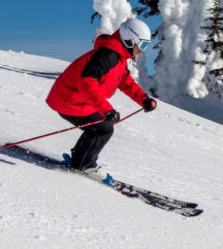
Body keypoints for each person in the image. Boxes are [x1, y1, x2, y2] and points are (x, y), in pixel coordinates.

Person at [45, 19, 158, 182]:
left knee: (99, 127)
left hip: (75, 99)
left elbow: (124, 80)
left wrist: (144, 100)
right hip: (69, 99)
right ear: (129, 39)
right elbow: (86, 82)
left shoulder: (118, 56)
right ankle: (84, 165)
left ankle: (80, 160)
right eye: (142, 45)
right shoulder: (108, 55)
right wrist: (107, 110)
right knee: (103, 128)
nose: (141, 51)